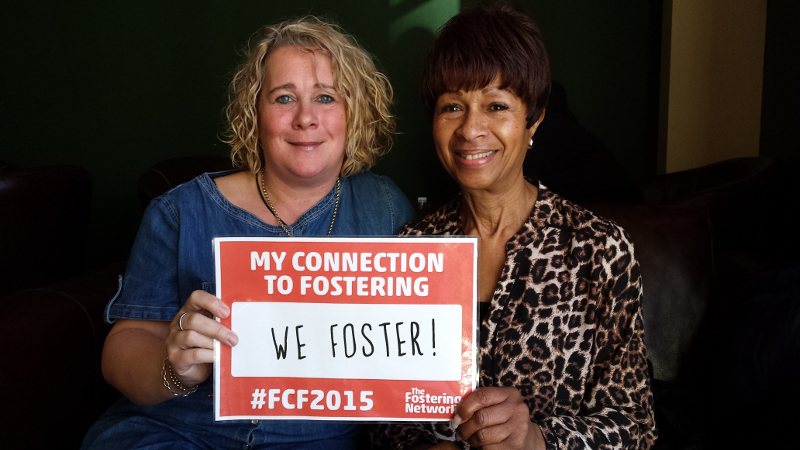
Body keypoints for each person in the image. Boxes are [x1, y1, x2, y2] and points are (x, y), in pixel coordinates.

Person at [82, 17, 414, 450]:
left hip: (319, 438)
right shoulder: (180, 211)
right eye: (284, 98)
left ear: (354, 113)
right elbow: (123, 347)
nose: (306, 118)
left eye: (326, 97)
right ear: (253, 113)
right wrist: (174, 369)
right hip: (180, 430)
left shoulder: (386, 208)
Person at [371, 4, 657, 449]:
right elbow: (382, 412)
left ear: (533, 120)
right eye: (452, 106)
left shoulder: (598, 249)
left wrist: (536, 440)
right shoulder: (414, 247)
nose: (470, 129)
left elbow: (634, 427)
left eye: (496, 105)